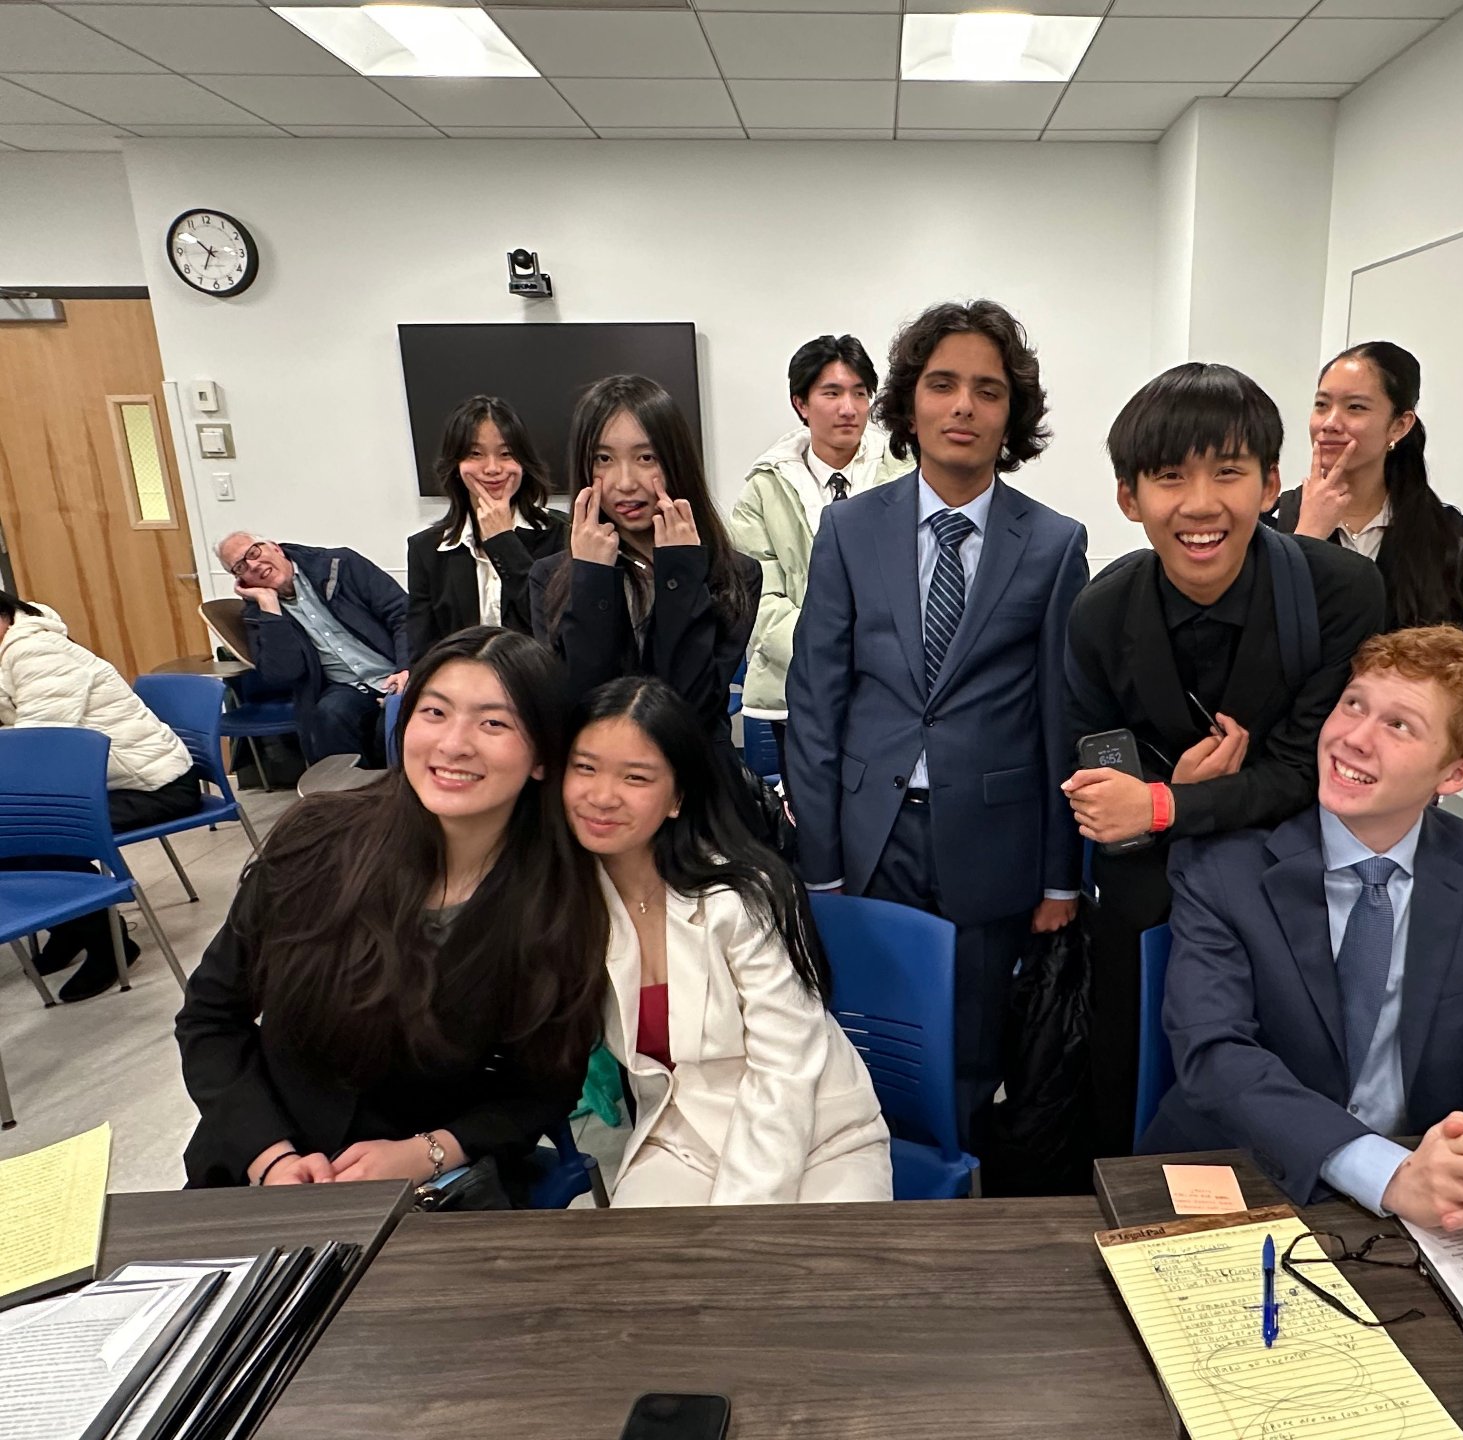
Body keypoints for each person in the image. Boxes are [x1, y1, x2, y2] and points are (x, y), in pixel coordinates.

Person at [1141, 627, 1463, 1230]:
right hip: (1244, 1175)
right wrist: (1387, 1174)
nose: (1353, 738)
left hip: (1430, 1201)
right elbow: (1215, 1054)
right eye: (1354, 704)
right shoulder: (1226, 865)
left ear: (1454, 774)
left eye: (1399, 725)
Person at [1063, 362, 1385, 1159]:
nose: (1201, 504)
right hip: (1150, 891)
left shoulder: (1343, 592)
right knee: (1133, 1096)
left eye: (1230, 473)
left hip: (1297, 889)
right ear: (1129, 497)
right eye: (1171, 477)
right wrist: (1157, 799)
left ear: (1272, 483)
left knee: (1292, 1115)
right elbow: (1102, 796)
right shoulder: (1100, 612)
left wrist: (1166, 803)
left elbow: (1318, 772)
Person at [786, 299, 1088, 1147]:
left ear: (1011, 415)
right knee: (861, 1043)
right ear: (909, 404)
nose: (963, 406)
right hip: (868, 835)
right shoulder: (850, 529)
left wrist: (1062, 877)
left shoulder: (1055, 542)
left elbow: (1058, 718)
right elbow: (817, 700)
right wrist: (818, 861)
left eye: (987, 391)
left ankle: (958, 1204)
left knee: (971, 1050)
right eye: (943, 385)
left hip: (994, 842)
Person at [175, 628, 608, 1196]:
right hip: (255, 1169)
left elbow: (544, 1087)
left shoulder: (559, 896)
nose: (454, 744)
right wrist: (270, 1156)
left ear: (543, 758)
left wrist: (425, 1153)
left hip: (424, 1189)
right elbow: (211, 1019)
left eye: (493, 723)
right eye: (434, 712)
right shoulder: (316, 842)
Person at [567, 675, 891, 1205]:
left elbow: (785, 1071)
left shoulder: (740, 899)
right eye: (585, 768)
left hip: (816, 1136)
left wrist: (738, 1217)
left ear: (677, 799)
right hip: (681, 1138)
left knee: (792, 1282)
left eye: (637, 777)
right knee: (638, 1282)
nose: (602, 796)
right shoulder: (574, 903)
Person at [529, 376, 759, 754]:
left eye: (646, 458)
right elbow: (578, 707)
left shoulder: (734, 574)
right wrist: (592, 578)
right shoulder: (550, 578)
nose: (625, 482)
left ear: (677, 461)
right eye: (603, 459)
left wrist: (679, 572)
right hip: (597, 784)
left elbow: (690, 706)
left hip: (696, 785)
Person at [0, 591, 199, 1001]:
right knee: (17, 830)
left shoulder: (35, 651)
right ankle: (70, 928)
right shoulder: (9, 654)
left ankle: (111, 944)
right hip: (105, 781)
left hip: (154, 784)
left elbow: (38, 746)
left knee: (36, 831)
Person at [729, 335, 914, 769]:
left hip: (889, 693)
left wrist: (873, 657)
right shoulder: (762, 490)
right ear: (802, 403)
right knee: (806, 825)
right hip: (793, 691)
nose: (848, 408)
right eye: (831, 393)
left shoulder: (907, 479)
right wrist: (832, 653)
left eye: (859, 393)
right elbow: (757, 602)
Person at [1266, 341, 1463, 631]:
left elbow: (1444, 656)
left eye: (1355, 407)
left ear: (1399, 426)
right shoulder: (1271, 519)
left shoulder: (1446, 532)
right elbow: (1262, 638)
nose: (1330, 423)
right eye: (1321, 405)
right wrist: (1308, 537)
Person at [215, 531, 409, 767]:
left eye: (254, 552)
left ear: (275, 547)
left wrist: (406, 667)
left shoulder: (339, 565)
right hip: (346, 686)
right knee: (330, 715)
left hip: (394, 669)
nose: (253, 565)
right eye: (240, 567)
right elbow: (283, 674)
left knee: (390, 725)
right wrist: (270, 608)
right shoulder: (259, 615)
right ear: (240, 581)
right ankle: (352, 797)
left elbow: (403, 615)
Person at [406, 394, 569, 656]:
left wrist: (503, 541)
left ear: (523, 463)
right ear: (456, 464)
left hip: (536, 683)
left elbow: (554, 628)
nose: (492, 468)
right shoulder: (426, 549)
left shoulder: (561, 534)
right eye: (475, 454)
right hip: (462, 686)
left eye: (506, 454)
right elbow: (423, 649)